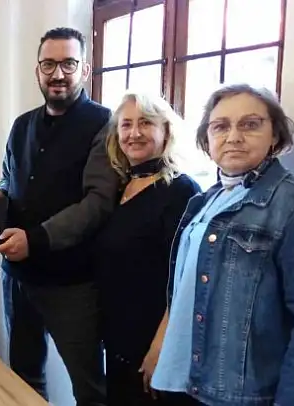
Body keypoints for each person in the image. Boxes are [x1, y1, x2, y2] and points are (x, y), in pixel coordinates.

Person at [151, 84, 294, 406]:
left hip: (244, 396)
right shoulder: (204, 202)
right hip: (188, 384)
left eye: (250, 124)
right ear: (207, 138)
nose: (234, 137)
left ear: (274, 134)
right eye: (220, 126)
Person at [0, 27, 119, 405]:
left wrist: (35, 239)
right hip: (18, 277)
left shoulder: (105, 124)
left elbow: (98, 201)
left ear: (85, 69)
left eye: (68, 64)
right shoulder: (21, 125)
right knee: (24, 377)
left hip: (72, 283)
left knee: (90, 388)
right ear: (38, 70)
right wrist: (0, 196)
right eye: (48, 64)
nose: (58, 74)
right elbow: (7, 176)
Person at [91, 92, 200, 406]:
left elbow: (185, 280)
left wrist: (161, 347)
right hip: (118, 340)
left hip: (155, 344)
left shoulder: (180, 191)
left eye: (146, 123)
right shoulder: (119, 187)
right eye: (126, 125)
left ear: (166, 131)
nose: (134, 133)